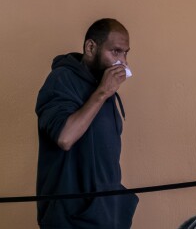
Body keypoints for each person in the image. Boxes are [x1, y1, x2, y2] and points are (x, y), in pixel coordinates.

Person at [35, 18, 138, 228]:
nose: (123, 62)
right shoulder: (61, 80)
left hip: (107, 216)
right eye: (115, 52)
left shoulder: (103, 87)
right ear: (91, 47)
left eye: (125, 53)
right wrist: (102, 93)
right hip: (71, 219)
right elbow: (65, 137)